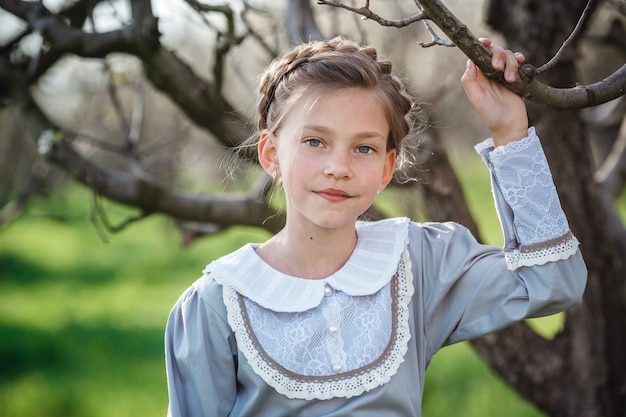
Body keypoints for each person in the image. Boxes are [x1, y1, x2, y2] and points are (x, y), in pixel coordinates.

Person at [164, 37, 587, 417]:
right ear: (272, 154)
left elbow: (554, 279)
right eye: (315, 141)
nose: (339, 168)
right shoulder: (218, 303)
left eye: (363, 148)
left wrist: (509, 133)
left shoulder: (420, 263)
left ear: (387, 168)